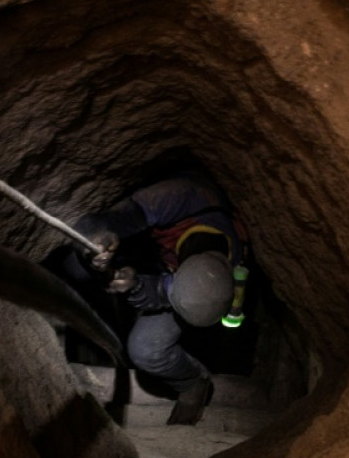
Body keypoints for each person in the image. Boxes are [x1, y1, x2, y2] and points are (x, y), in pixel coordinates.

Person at [75, 172, 246, 425]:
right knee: (76, 267)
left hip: (170, 272)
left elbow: (158, 293)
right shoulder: (180, 198)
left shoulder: (226, 271)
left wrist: (134, 286)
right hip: (144, 248)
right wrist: (99, 237)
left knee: (145, 349)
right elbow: (96, 223)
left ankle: (193, 382)